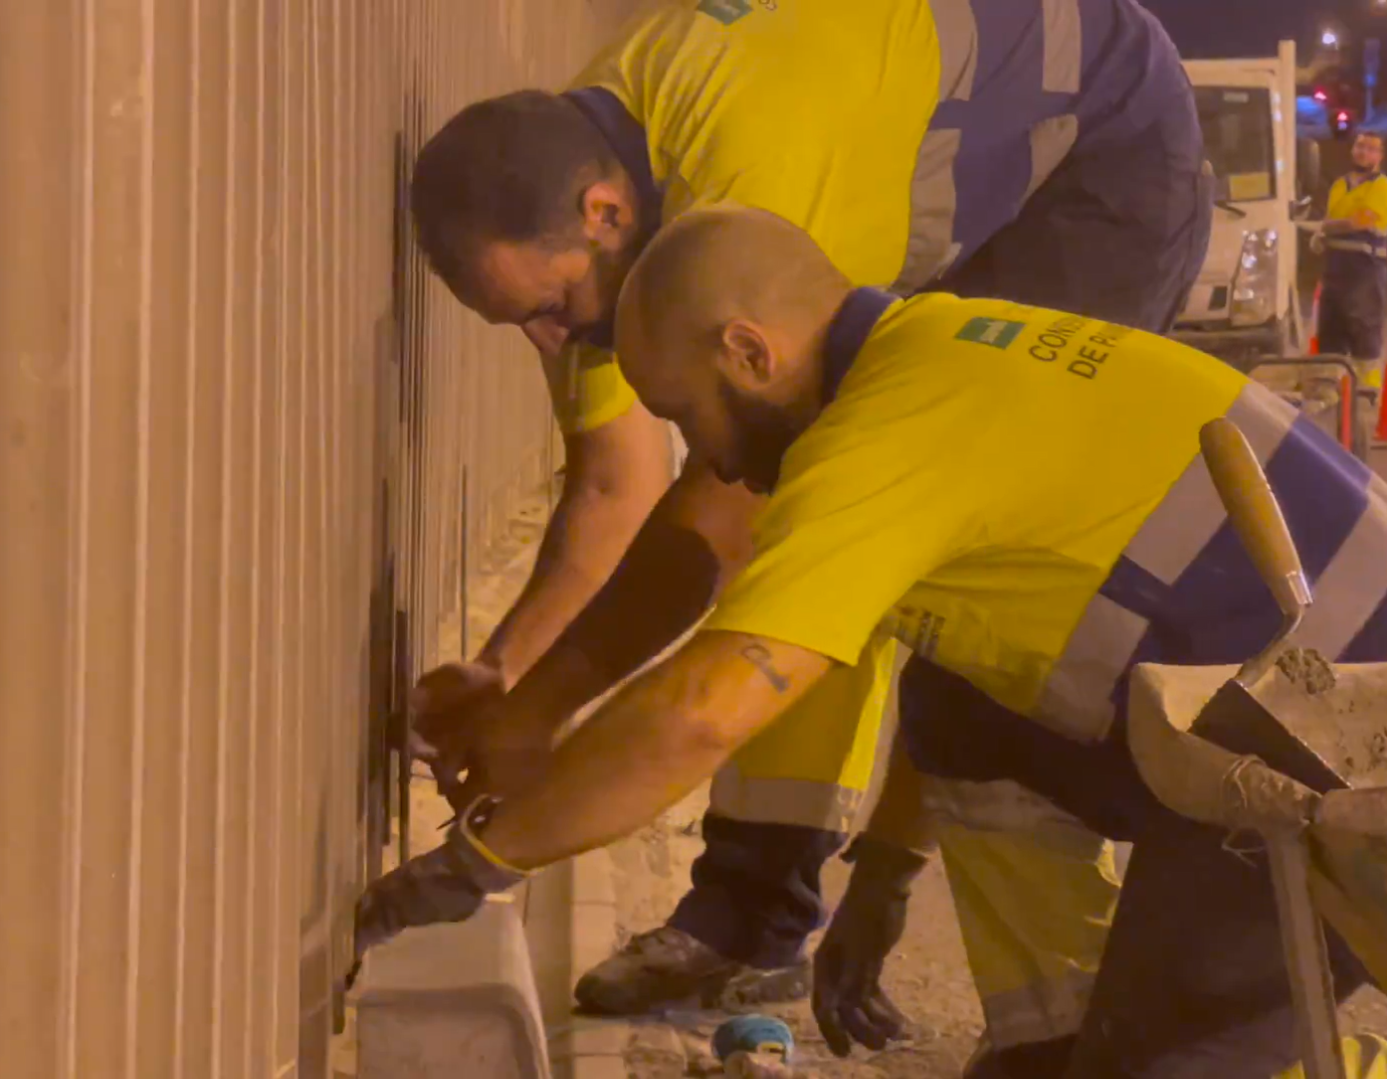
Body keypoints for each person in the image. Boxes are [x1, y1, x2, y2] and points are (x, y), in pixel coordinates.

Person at [353, 205, 1387, 1077]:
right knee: (957, 699)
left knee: (1168, 1064)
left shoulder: (882, 434)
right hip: (1302, 710)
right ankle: (1052, 1039)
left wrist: (471, 866)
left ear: (751, 353)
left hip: (1361, 769)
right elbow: (983, 675)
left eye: (687, 416)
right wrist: (883, 877)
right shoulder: (941, 348)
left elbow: (707, 705)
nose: (705, 460)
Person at [404, 0, 1214, 1017]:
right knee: (825, 496)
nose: (550, 343)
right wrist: (507, 671)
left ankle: (1054, 1015)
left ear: (606, 213)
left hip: (1096, 160)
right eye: (518, 318)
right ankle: (753, 911)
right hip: (954, 160)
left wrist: (539, 722)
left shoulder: (755, 162)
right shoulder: (592, 186)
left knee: (869, 516)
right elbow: (614, 482)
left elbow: (727, 511)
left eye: (550, 308)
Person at [1313, 132, 1387, 364]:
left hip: (1365, 274)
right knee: (1330, 340)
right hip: (1335, 273)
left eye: (1371, 149)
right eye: (1360, 146)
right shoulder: (1340, 184)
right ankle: (1330, 395)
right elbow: (1335, 221)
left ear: (1379, 156)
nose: (1363, 152)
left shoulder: (1382, 187)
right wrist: (1322, 234)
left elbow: (1360, 222)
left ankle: (1366, 396)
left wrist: (1322, 227)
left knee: (1364, 339)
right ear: (1352, 150)